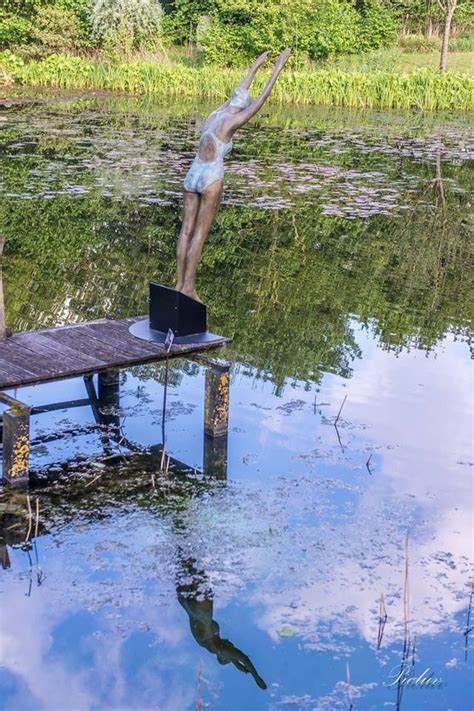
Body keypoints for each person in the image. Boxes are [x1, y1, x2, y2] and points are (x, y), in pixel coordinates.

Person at [176, 48, 292, 301]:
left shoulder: (214, 115)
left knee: (185, 230)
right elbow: (260, 100)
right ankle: (188, 287)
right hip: (210, 178)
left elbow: (239, 92)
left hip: (192, 174)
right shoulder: (232, 122)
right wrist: (277, 68)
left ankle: (178, 284)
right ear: (242, 109)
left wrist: (254, 66)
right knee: (199, 234)